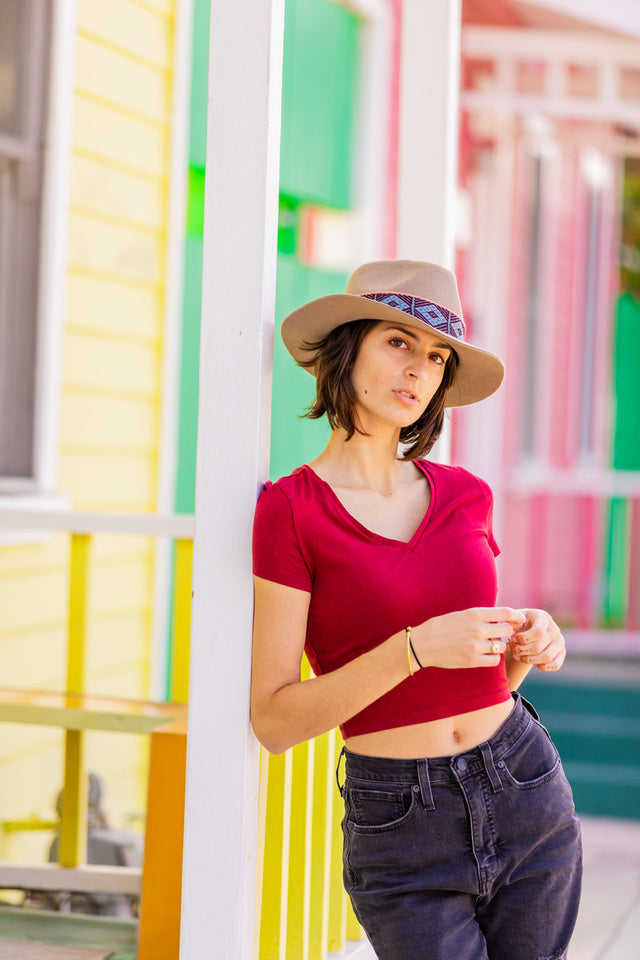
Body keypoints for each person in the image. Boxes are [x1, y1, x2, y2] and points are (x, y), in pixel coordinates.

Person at [251, 260, 582, 960]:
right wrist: (415, 647)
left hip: (523, 783)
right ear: (348, 348)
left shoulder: (468, 495)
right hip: (400, 820)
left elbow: (474, 676)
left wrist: (520, 649)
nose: (418, 371)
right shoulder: (290, 510)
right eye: (398, 342)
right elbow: (275, 721)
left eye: (435, 358)